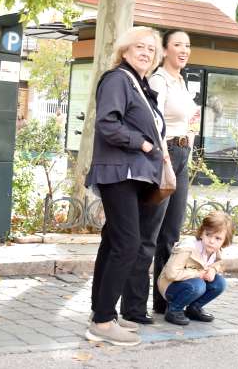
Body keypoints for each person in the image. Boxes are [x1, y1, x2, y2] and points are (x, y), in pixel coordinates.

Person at [85, 26, 169, 348]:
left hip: (131, 174)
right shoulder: (118, 79)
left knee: (113, 243)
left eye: (152, 49)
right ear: (125, 50)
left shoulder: (139, 84)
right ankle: (104, 320)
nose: (146, 52)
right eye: (140, 46)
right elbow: (107, 123)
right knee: (128, 244)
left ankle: (100, 313)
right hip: (119, 172)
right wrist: (144, 145)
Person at [148, 29, 200, 314]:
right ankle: (136, 304)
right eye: (177, 44)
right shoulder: (159, 79)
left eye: (187, 46)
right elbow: (153, 121)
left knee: (171, 232)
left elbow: (187, 120)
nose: (184, 50)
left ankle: (165, 301)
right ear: (165, 50)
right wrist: (165, 155)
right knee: (153, 231)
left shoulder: (181, 81)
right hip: (165, 155)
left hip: (182, 154)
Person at [158, 211, 232, 325]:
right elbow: (171, 274)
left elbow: (219, 263)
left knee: (219, 283)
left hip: (191, 283)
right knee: (198, 285)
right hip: (170, 286)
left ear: (224, 241)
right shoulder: (188, 248)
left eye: (218, 238)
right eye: (208, 235)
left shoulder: (215, 249)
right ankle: (174, 310)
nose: (211, 241)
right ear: (202, 233)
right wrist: (199, 274)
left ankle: (194, 309)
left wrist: (212, 270)